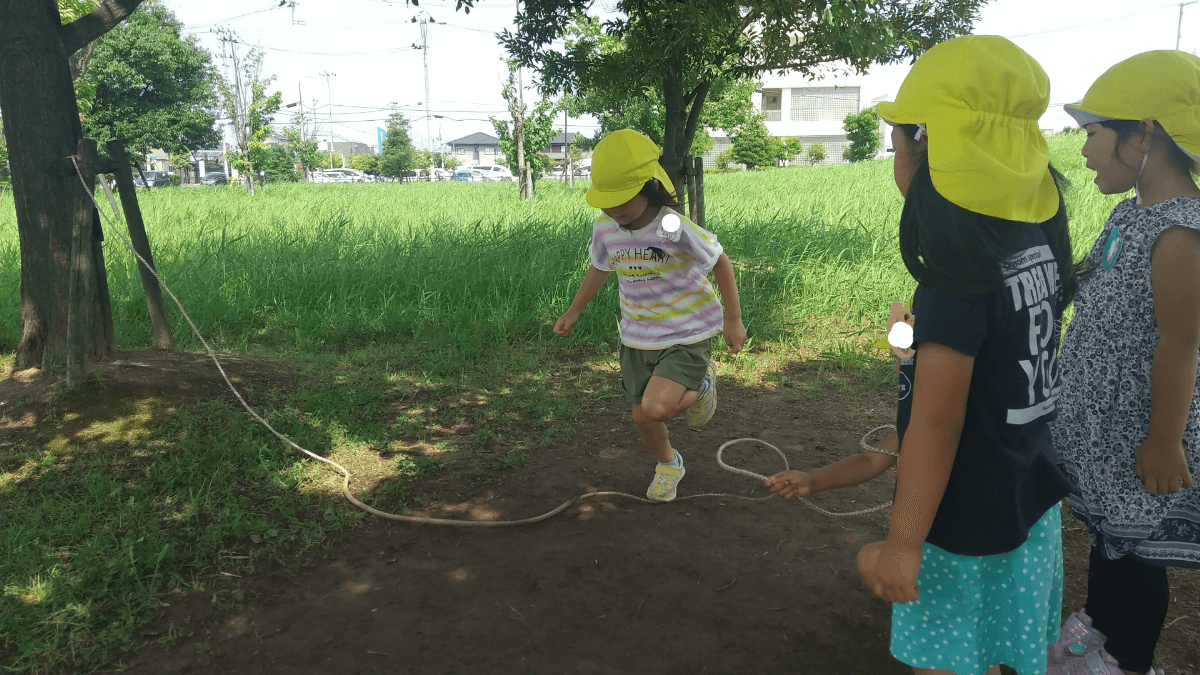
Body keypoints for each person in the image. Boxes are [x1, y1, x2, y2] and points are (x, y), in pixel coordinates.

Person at [802, 35, 1081, 675]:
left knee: (947, 661)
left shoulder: (957, 277)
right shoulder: (1031, 238)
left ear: (927, 144)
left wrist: (902, 545)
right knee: (992, 654)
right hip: (1026, 501)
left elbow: (936, 421)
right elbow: (996, 359)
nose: (893, 155)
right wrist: (912, 341)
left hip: (959, 522)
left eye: (896, 140)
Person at [1049, 50, 1200, 675]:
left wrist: (1163, 441)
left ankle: (1129, 661)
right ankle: (1097, 636)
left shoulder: (1180, 231)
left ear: (1145, 132)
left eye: (1092, 133)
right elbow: (1088, 285)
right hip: (1104, 430)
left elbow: (1181, 343)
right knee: (1109, 538)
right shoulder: (1129, 211)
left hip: (1141, 430)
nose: (1083, 150)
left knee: (1136, 552)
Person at [553, 128, 747, 502]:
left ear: (648, 186)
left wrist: (733, 320)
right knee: (643, 417)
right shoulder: (606, 229)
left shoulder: (672, 226)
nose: (614, 210)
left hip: (686, 333)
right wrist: (574, 311)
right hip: (637, 335)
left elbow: (719, 262)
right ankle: (669, 464)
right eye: (606, 202)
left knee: (656, 407)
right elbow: (599, 268)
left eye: (622, 201)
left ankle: (703, 382)